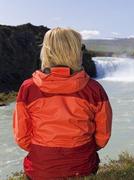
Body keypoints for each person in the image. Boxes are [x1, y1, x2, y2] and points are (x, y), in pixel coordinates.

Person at [13, 27, 112, 179]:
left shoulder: (28, 88)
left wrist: (44, 152)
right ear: (75, 51)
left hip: (40, 169)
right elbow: (102, 137)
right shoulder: (94, 89)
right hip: (83, 167)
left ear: (46, 51)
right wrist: (83, 149)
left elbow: (22, 137)